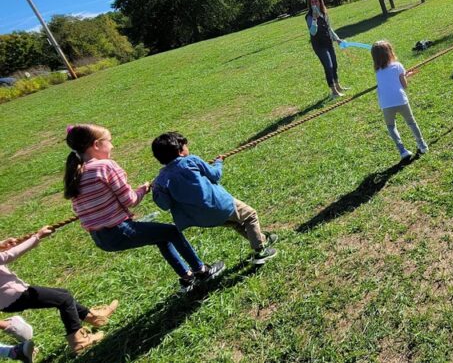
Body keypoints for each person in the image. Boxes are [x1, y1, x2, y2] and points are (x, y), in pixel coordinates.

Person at [64, 124, 224, 293]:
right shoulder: (105, 166)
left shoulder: (77, 170)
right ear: (96, 145)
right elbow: (130, 200)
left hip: (99, 238)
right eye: (109, 141)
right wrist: (144, 188)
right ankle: (202, 271)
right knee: (171, 232)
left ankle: (187, 278)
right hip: (118, 231)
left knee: (161, 237)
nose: (112, 146)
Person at [150, 132, 278, 266]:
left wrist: (156, 190)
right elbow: (215, 175)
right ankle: (260, 251)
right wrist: (218, 163)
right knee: (250, 215)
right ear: (180, 151)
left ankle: (261, 239)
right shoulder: (191, 160)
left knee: (236, 222)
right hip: (220, 205)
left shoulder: (161, 179)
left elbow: (164, 204)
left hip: (201, 219)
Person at [0, 226, 117, 353]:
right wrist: (37, 237)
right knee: (64, 300)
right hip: (14, 295)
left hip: (8, 298)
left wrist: (1, 245)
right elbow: (8, 256)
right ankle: (79, 340)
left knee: (63, 294)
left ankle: (93, 317)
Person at [371, 41, 428, 161]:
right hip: (400, 100)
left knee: (391, 126)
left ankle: (402, 150)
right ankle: (422, 145)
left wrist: (402, 76)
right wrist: (405, 76)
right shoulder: (397, 65)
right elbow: (404, 85)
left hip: (386, 103)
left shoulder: (377, 71)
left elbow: (389, 80)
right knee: (411, 122)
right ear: (390, 52)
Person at [306, 0, 347, 98]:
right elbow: (313, 32)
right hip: (319, 45)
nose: (314, 4)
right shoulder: (309, 16)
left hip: (328, 42)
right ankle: (334, 92)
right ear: (310, 4)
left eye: (316, 1)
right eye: (312, 2)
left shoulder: (324, 13)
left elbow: (329, 28)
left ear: (320, 1)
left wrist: (337, 39)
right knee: (328, 66)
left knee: (334, 64)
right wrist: (315, 19)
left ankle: (338, 86)